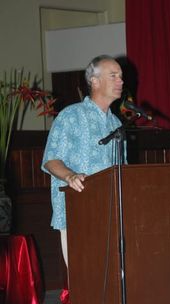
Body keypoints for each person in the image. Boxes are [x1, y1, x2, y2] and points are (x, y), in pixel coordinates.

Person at [41, 55, 124, 269]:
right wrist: (70, 176)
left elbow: (122, 171)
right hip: (78, 208)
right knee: (86, 277)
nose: (120, 81)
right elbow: (50, 160)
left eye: (121, 76)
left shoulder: (116, 123)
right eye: (113, 75)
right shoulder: (71, 116)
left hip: (111, 211)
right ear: (94, 81)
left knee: (112, 276)